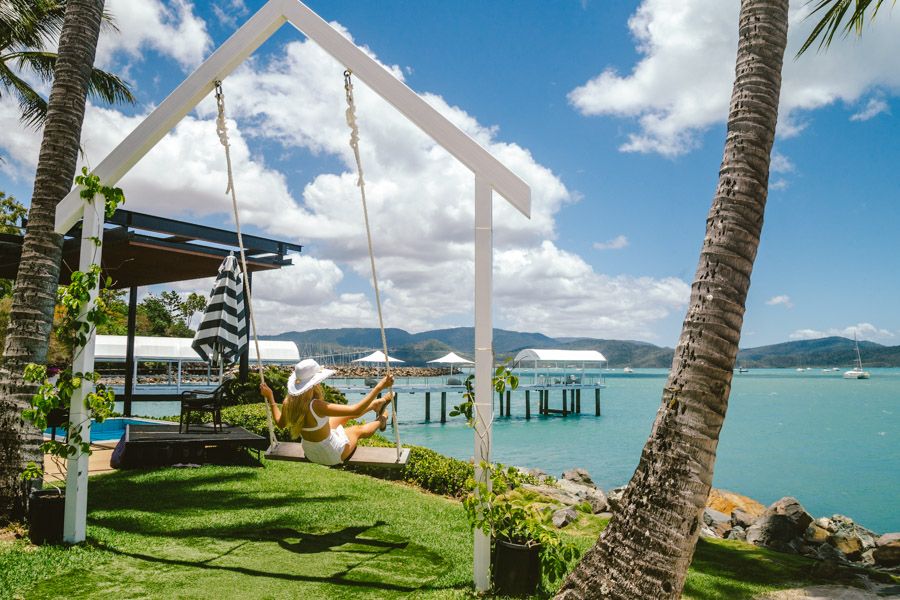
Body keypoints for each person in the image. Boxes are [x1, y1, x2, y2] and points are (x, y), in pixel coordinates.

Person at [260, 358, 393, 466]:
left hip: (311, 453)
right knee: (357, 430)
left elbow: (280, 423)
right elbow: (356, 409)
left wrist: (270, 397)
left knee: (346, 415)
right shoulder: (316, 405)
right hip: (331, 455)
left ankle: (375, 405)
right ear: (313, 383)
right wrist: (379, 387)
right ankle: (382, 421)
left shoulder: (288, 403)